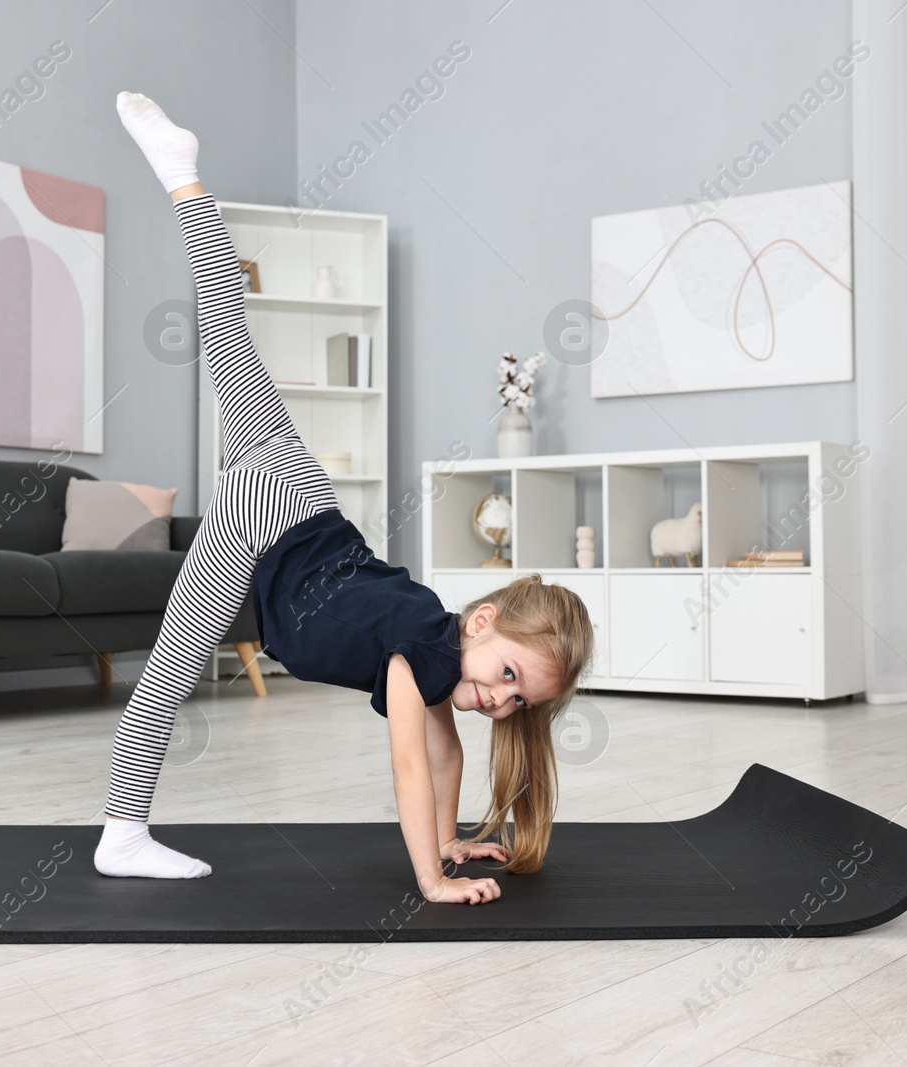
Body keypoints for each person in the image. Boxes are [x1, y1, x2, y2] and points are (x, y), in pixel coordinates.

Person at [97, 93, 594, 905]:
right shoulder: (419, 654)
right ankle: (121, 834)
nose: (500, 702)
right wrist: (431, 875)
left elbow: (446, 756)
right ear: (481, 622)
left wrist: (453, 835)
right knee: (173, 663)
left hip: (299, 495)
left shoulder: (436, 646)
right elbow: (410, 761)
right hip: (272, 519)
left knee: (230, 334)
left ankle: (183, 174)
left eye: (517, 700)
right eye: (507, 674)